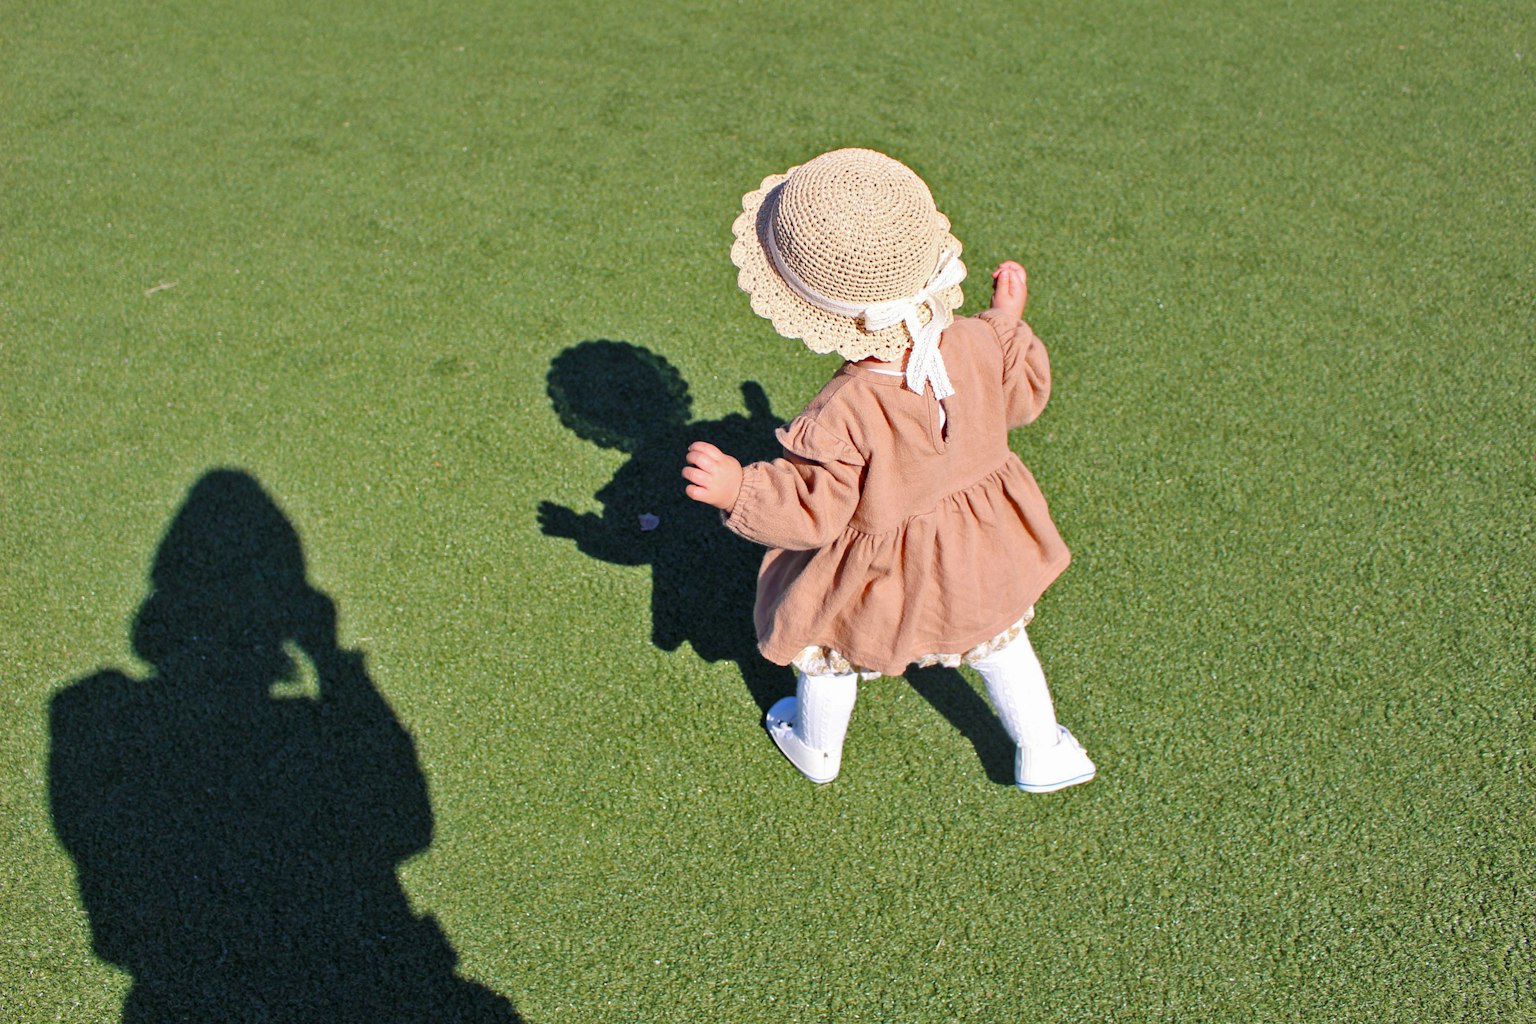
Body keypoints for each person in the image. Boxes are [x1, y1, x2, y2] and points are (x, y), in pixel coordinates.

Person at [682, 148, 1094, 793]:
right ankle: (1043, 750)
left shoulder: (846, 408)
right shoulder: (977, 342)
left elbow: (815, 508)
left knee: (826, 650)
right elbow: (1019, 397)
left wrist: (742, 488)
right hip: (981, 554)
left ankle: (817, 747)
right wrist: (1008, 324)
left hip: (880, 577)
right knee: (1002, 644)